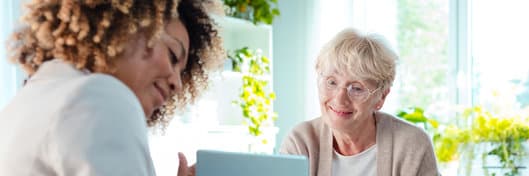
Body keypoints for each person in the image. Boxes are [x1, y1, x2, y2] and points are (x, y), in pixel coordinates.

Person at [0, 0, 224, 175]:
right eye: (173, 56)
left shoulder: (32, 99)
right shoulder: (102, 96)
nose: (177, 83)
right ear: (128, 26)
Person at [280, 28, 440, 176]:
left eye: (356, 88)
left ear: (381, 97)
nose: (340, 98)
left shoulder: (411, 145)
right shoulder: (301, 141)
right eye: (331, 82)